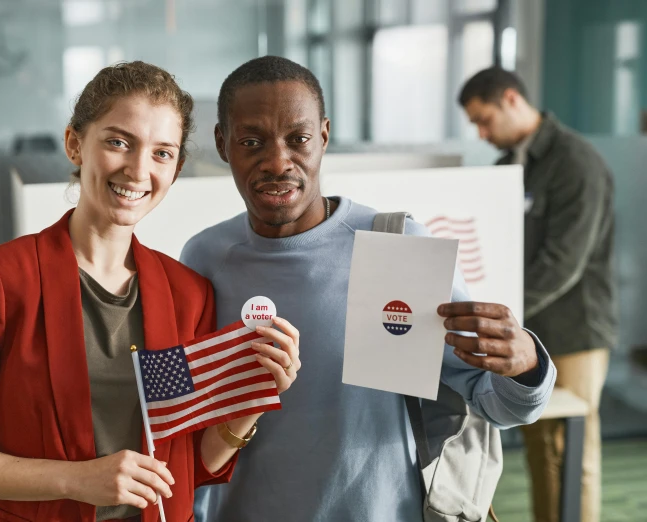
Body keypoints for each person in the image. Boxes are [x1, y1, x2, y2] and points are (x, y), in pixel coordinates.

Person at [0, 61, 300, 522]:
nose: (137, 170)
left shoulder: (186, 294)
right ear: (75, 144)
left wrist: (249, 403)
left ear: (176, 168)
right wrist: (76, 479)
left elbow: (183, 466)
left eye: (161, 153)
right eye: (118, 142)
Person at [180, 56, 557, 522]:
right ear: (222, 143)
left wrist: (526, 366)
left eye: (298, 139)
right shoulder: (202, 259)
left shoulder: (395, 246)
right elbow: (190, 421)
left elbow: (494, 402)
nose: (278, 162)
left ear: (323, 136)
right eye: (252, 141)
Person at [459, 66, 616, 522]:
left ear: (512, 99)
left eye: (484, 120)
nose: (482, 133)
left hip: (575, 331)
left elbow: (563, 263)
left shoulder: (574, 162)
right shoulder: (508, 166)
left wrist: (501, 314)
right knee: (540, 449)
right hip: (528, 330)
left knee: (571, 453)